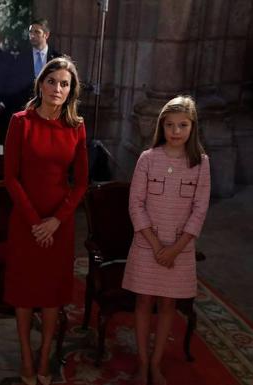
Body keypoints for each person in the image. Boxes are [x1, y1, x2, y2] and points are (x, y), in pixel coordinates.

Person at [3, 56, 88, 385]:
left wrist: (55, 220)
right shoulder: (20, 122)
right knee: (24, 293)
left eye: (64, 84)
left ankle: (44, 357)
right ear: (41, 84)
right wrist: (36, 220)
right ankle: (26, 356)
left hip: (60, 223)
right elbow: (11, 178)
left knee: (52, 294)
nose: (57, 88)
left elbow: (80, 182)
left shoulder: (76, 126)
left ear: (71, 91)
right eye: (52, 81)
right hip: (26, 221)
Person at [122, 96, 211, 385]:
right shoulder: (148, 159)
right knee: (144, 302)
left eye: (182, 125)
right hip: (148, 246)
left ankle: (157, 364)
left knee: (168, 306)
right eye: (170, 125)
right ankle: (143, 364)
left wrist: (175, 248)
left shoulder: (200, 163)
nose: (176, 131)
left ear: (192, 127)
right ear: (162, 126)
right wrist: (157, 245)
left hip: (180, 250)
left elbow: (199, 210)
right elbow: (135, 204)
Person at [15, 19, 61, 111]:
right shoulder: (21, 57)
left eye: (37, 32)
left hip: (49, 107)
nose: (32, 35)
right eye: (30, 32)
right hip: (26, 106)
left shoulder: (57, 58)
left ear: (46, 35)